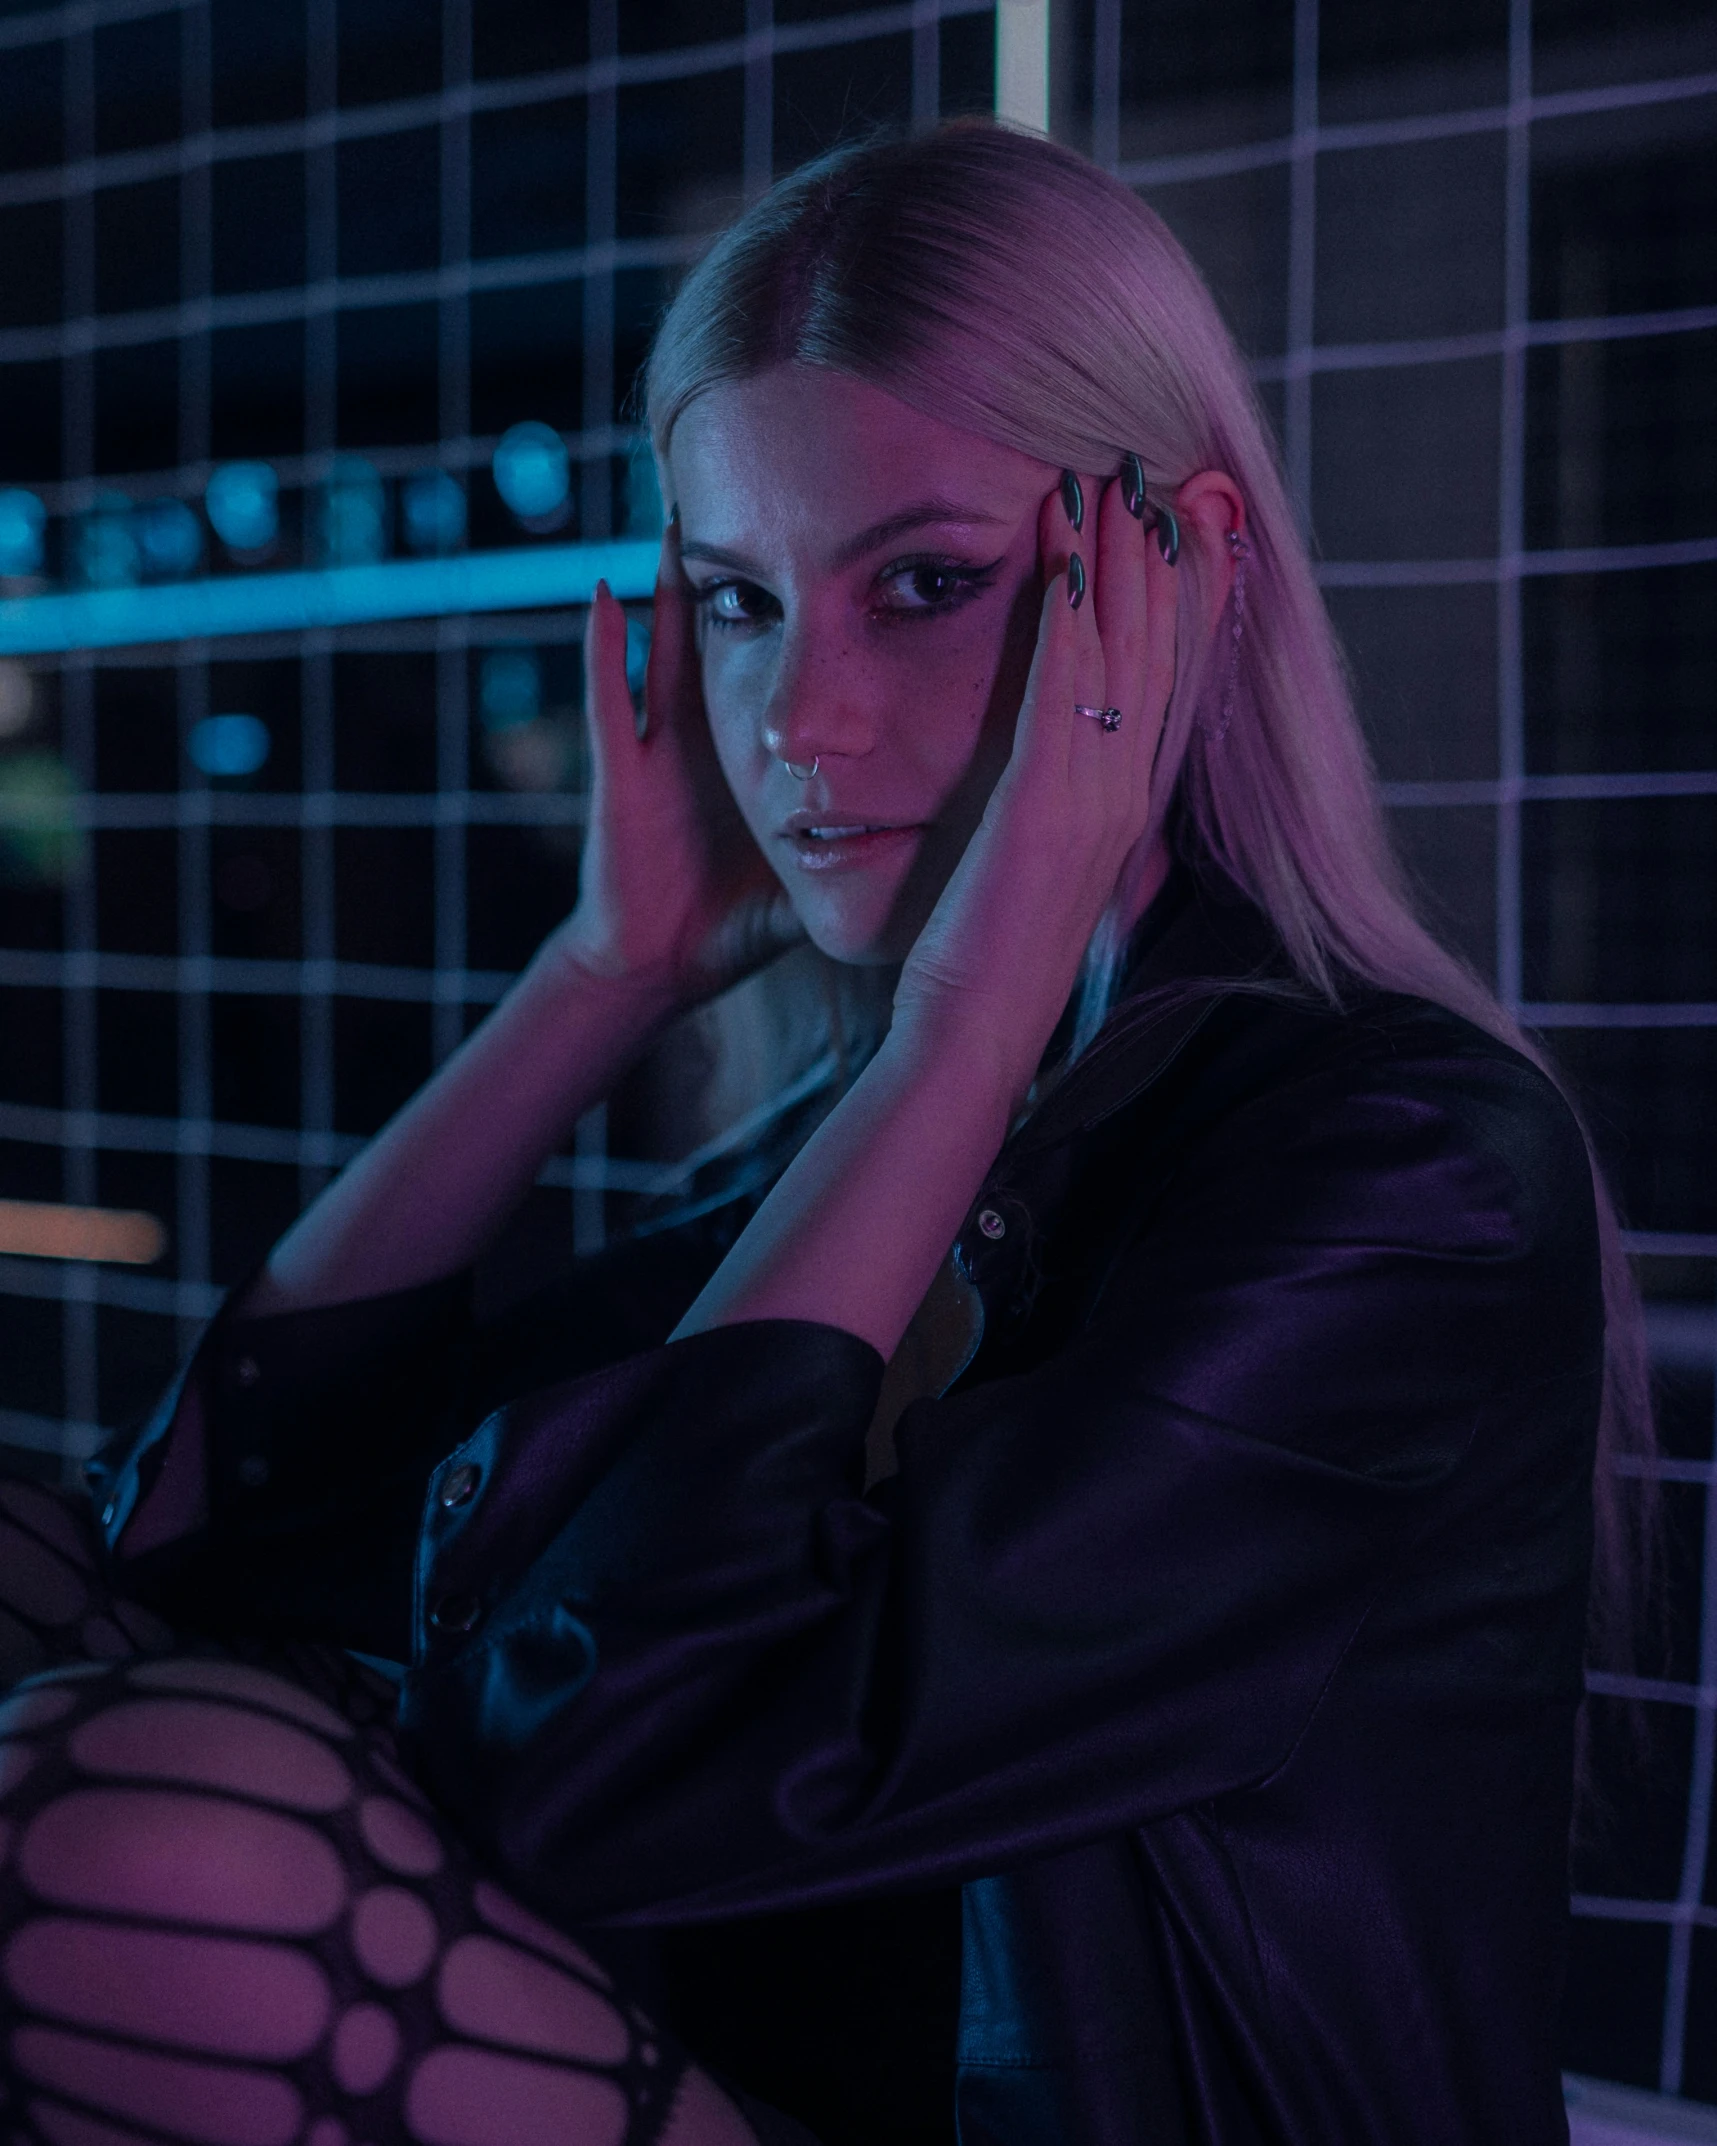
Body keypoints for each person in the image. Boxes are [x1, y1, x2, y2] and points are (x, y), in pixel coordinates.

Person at [0, 122, 1651, 2146]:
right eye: (739, 602)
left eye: (928, 583)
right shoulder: (876, 1125)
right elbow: (181, 1545)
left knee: (129, 1858)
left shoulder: (1404, 1168)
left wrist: (951, 1025)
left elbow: (615, 1752)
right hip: (767, 2068)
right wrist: (597, 978)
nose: (795, 721)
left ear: (1179, 576)